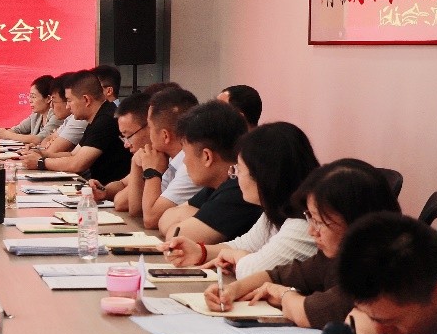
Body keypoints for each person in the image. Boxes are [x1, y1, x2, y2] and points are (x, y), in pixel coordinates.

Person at [217, 160, 401, 334]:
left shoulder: (377, 267)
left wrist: (284, 294)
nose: (311, 231)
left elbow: (311, 311)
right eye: (309, 217)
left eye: (320, 222)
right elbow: (277, 274)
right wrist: (232, 290)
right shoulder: (334, 257)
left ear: (358, 222)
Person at [164, 122, 318, 277]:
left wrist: (239, 257)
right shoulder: (276, 211)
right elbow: (245, 244)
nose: (235, 176)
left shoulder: (304, 224)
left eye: (239, 169)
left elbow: (256, 271)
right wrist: (199, 252)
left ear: (263, 175)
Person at [157, 100, 261, 243]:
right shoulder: (217, 183)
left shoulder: (238, 190)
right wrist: (203, 216)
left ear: (207, 156)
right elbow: (165, 219)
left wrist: (197, 217)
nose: (184, 162)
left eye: (186, 154)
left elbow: (176, 235)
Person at [20, 67, 131, 186]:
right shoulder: (97, 116)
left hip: (109, 191)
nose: (68, 106)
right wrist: (41, 154)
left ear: (86, 100)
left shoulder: (106, 120)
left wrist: (40, 162)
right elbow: (73, 154)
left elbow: (77, 164)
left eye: (69, 100)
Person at [129, 86, 201, 230]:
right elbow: (135, 210)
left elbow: (150, 219)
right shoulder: (168, 158)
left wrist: (152, 172)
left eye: (150, 127)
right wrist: (135, 164)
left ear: (165, 135)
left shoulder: (190, 165)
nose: (148, 133)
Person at [94, 92, 152, 210]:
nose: (126, 144)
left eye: (128, 136)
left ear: (150, 127)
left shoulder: (162, 159)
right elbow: (122, 183)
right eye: (123, 137)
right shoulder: (147, 155)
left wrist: (135, 164)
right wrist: (103, 191)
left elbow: (121, 202)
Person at [0, 76, 58, 144]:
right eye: (30, 96)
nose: (30, 100)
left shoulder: (57, 116)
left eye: (33, 97)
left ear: (48, 99)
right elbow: (17, 130)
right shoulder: (36, 115)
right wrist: (1, 132)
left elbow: (39, 139)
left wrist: (7, 135)